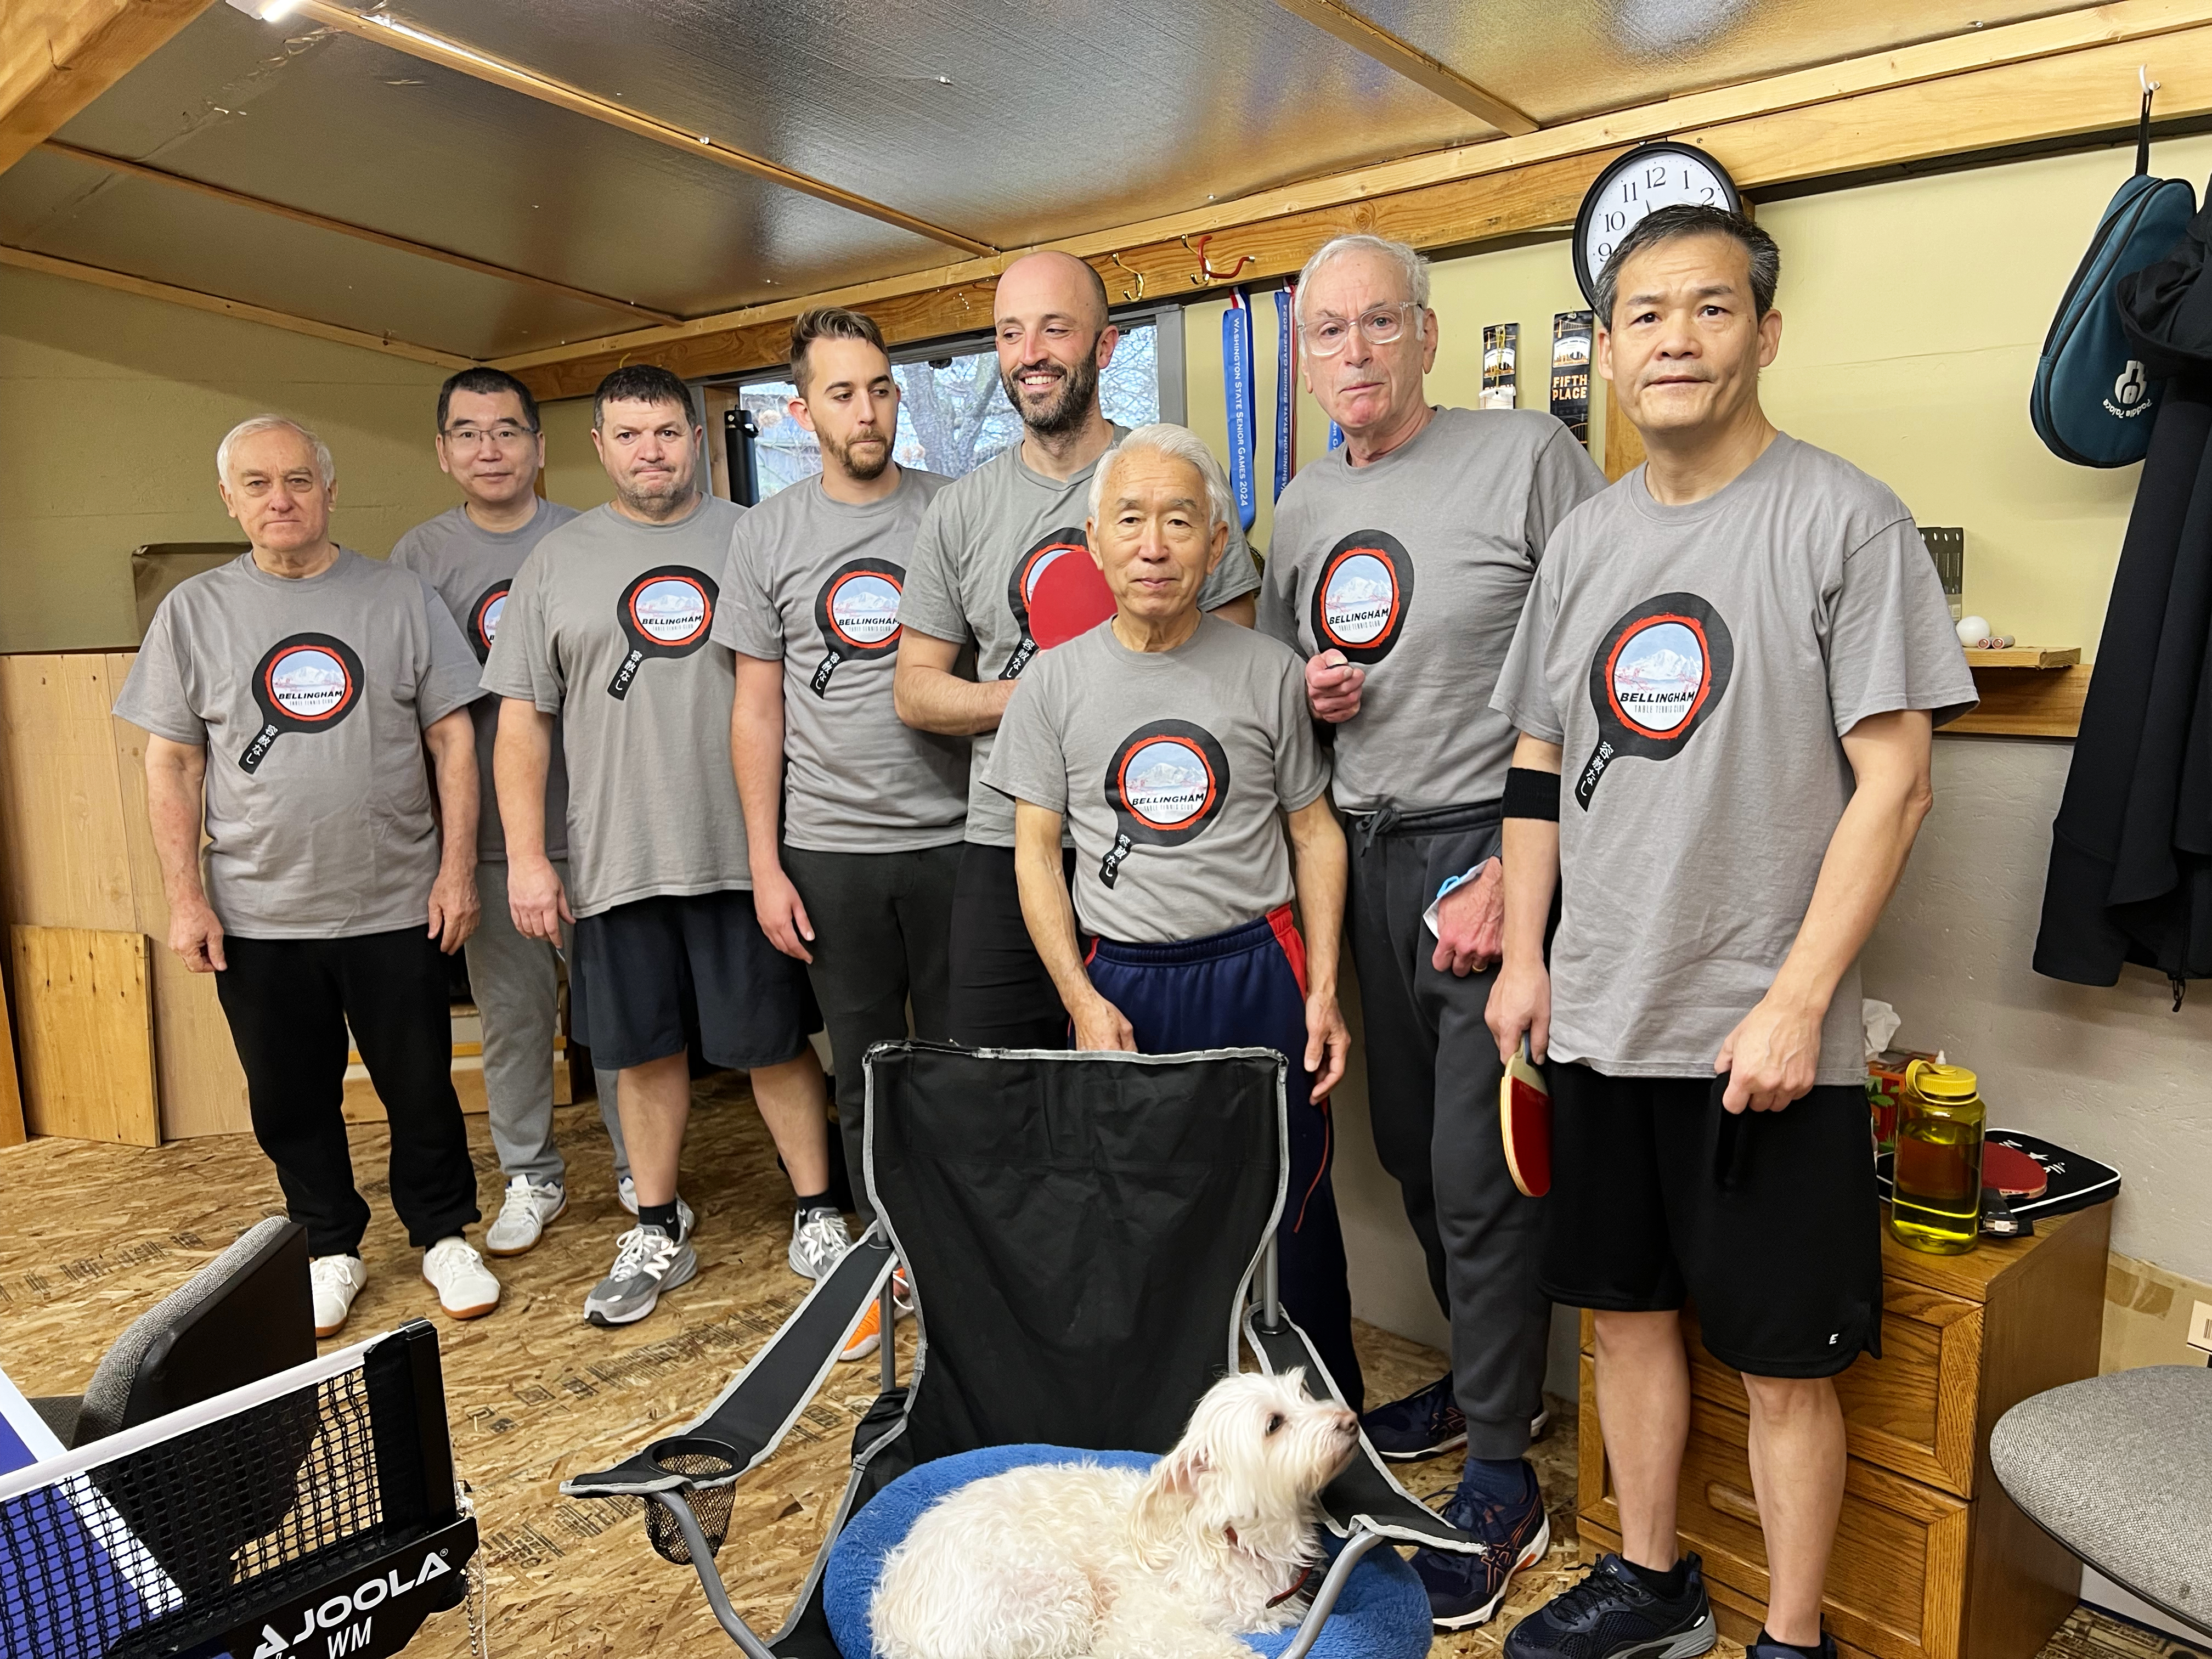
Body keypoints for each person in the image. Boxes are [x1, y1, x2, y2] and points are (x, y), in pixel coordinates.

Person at [1488, 206, 1974, 1659]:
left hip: (1767, 1039)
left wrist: (1795, 1000)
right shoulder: (1580, 544)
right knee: (1627, 1323)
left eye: (1709, 310)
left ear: (1766, 335)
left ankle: (1795, 1636)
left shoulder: (1846, 519)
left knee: (1781, 1366)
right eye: (1644, 315)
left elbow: (1899, 781)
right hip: (1599, 1016)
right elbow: (1533, 768)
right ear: (1613, 353)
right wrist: (1525, 955)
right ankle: (1654, 1586)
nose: (1676, 339)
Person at [1257, 232, 1605, 1626]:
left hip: (1493, 854)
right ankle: (1476, 1387)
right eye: (1327, 333)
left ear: (1428, 333)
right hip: (1367, 852)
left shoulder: (1526, 459)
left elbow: (1598, 664)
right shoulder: (1291, 509)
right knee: (1405, 1154)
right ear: (1305, 358)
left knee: (1480, 1170)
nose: (1353, 353)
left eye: (1377, 325)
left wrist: (1525, 881)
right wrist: (1312, 694)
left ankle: (1509, 1481)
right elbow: (1288, 681)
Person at [985, 423, 1361, 1403]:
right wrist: (1078, 998)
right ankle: (1147, 1422)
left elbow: (1315, 832)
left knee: (1293, 1210)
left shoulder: (1270, 671)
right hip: (1124, 982)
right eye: (1132, 521)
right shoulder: (1051, 688)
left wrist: (1323, 989)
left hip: (1257, 971)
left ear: (1216, 542)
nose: (1155, 545)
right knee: (1130, 1214)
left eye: (1181, 522)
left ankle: (1324, 1425)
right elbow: (1035, 850)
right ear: (1095, 542)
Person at [117, 414, 501, 1338]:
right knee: (290, 1095)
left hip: (396, 901)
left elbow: (454, 738)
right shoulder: (194, 612)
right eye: (258, 484)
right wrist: (184, 895)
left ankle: (443, 1233)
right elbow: (171, 763)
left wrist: (455, 872)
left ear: (329, 491)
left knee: (420, 1084)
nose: (280, 499)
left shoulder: (401, 597)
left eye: (297, 480)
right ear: (229, 499)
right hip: (259, 911)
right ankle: (329, 1244)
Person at [482, 364, 839, 1328]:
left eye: (669, 432)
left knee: (773, 1040)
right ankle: (655, 1223)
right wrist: (526, 855)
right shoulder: (554, 564)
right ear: (598, 446)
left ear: (697, 439)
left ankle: (818, 1211)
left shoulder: (755, 539)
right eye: (630, 434)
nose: (652, 451)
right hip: (616, 858)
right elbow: (522, 725)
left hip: (747, 852)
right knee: (640, 1054)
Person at [895, 250, 1261, 1048]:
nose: (1030, 354)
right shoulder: (962, 510)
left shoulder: (1175, 478)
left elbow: (1238, 658)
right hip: (1006, 841)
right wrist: (1037, 702)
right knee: (1003, 1085)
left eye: (1056, 329)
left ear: (1104, 346)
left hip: (1160, 827)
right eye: (1010, 334)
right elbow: (915, 690)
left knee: (1154, 1088)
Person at [721, 307, 966, 1362]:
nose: (866, 411)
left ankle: (969, 1266)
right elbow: (756, 709)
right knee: (865, 1069)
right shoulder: (767, 534)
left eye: (879, 388)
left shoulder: (953, 513)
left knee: (966, 1065)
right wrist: (765, 862)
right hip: (830, 849)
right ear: (799, 409)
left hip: (963, 837)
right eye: (841, 393)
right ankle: (886, 1259)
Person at [391, 366, 636, 1258]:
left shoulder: (588, 538)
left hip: (608, 828)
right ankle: (531, 1175)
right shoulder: (419, 560)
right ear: (445, 452)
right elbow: (427, 716)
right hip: (496, 842)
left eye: (506, 431)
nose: (488, 449)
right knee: (514, 1019)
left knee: (620, 1015)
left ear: (540, 447)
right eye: (467, 433)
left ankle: (638, 1172)